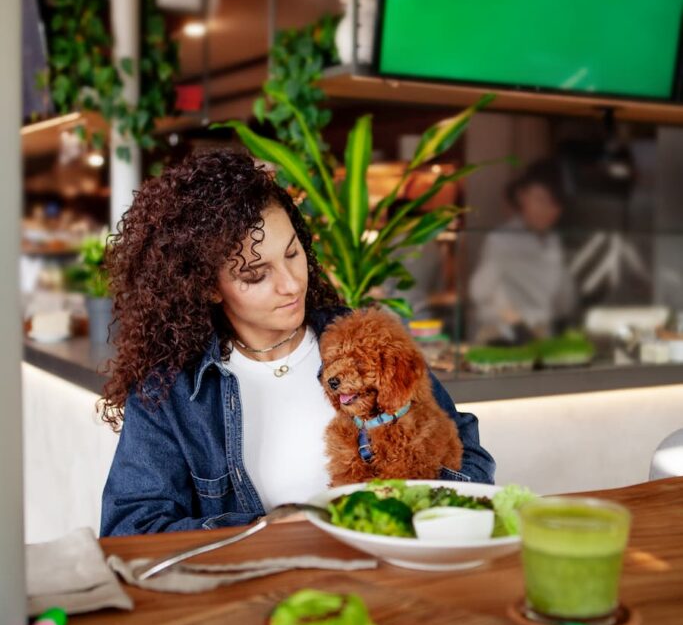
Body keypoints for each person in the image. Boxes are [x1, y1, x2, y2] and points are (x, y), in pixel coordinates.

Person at [99, 150, 495, 536]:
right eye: (256, 274)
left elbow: (468, 456)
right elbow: (131, 529)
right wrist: (266, 530)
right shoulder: (170, 391)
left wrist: (403, 513)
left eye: (293, 253)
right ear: (206, 287)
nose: (291, 284)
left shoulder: (362, 340)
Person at [468, 159, 575, 344]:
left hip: (544, 337)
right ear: (521, 196)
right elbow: (481, 291)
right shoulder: (502, 239)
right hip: (506, 337)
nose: (547, 210)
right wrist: (515, 322)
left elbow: (563, 299)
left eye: (554, 204)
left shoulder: (553, 240)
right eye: (540, 200)